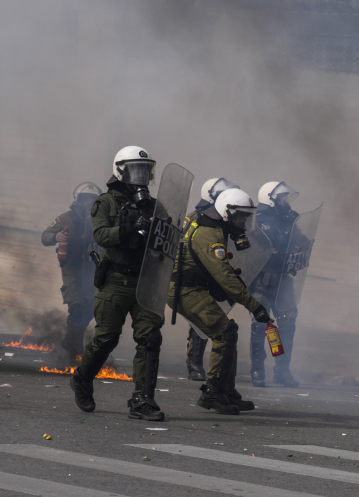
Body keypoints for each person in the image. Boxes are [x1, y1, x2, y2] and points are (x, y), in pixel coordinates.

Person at [69, 146, 166, 421]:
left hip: (146, 283)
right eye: (136, 169)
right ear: (120, 170)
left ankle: (143, 399)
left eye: (146, 170)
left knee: (150, 338)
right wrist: (129, 227)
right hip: (115, 281)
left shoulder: (156, 205)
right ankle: (82, 379)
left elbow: (167, 241)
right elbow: (100, 234)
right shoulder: (106, 202)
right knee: (106, 338)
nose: (142, 175)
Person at [167, 188, 271, 415]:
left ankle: (226, 391)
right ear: (227, 212)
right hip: (184, 290)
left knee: (228, 331)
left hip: (193, 288)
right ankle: (213, 393)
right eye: (241, 216)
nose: (244, 221)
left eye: (246, 216)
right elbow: (223, 275)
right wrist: (255, 306)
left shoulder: (216, 229)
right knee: (224, 333)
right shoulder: (209, 233)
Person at [182, 178, 240, 381]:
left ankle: (219, 369)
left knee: (219, 322)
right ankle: (194, 363)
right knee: (202, 320)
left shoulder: (228, 220)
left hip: (218, 273)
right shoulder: (194, 218)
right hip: (198, 276)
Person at [41, 182, 102, 364]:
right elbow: (45, 236)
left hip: (93, 271)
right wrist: (55, 237)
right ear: (78, 201)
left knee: (91, 310)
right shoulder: (66, 219)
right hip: (72, 270)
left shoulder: (102, 221)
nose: (89, 203)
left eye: (93, 200)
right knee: (76, 308)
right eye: (86, 199)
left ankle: (70, 341)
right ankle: (74, 352)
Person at [249, 181, 301, 388]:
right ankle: (257, 371)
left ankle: (281, 371)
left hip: (283, 283)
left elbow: (301, 241)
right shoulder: (256, 222)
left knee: (287, 324)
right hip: (261, 283)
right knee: (260, 325)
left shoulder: (289, 220)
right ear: (269, 199)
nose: (286, 202)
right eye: (282, 198)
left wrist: (303, 247)